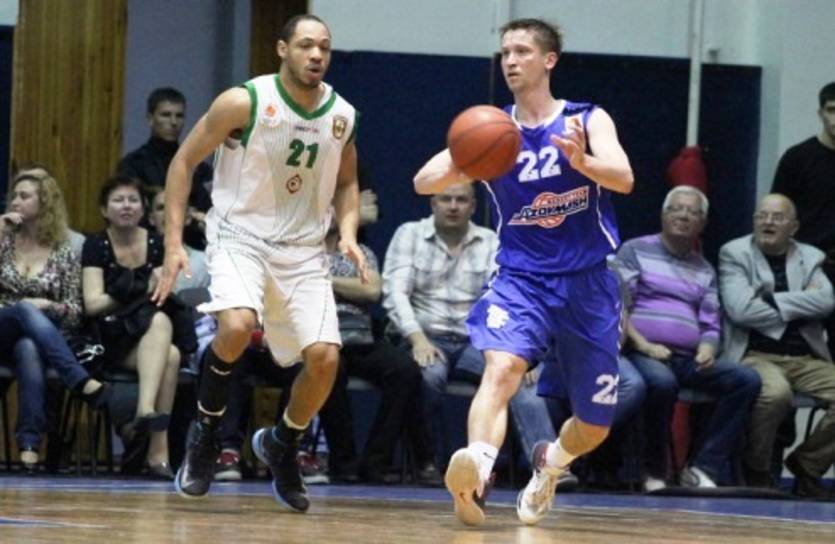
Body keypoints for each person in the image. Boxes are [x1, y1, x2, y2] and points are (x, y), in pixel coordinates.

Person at [413, 18, 633, 526]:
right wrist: (466, 160)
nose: (510, 61)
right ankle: (478, 472)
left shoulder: (586, 119)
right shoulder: (494, 130)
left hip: (588, 283)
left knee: (594, 425)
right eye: (505, 52)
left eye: (522, 51)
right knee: (502, 368)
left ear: (549, 60)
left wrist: (583, 162)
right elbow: (423, 182)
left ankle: (549, 465)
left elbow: (623, 178)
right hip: (521, 280)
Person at [152, 14, 365, 513]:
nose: (317, 55)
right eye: (306, 45)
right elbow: (183, 162)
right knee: (237, 326)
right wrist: (173, 244)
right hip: (240, 236)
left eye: (325, 47)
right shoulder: (243, 101)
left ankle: (282, 442)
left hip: (303, 249)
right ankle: (205, 434)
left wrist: (348, 231)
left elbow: (347, 181)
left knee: (325, 360)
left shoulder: (343, 114)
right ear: (282, 49)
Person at [382, 182, 556, 479]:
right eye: (445, 199)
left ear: (473, 206)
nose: (453, 206)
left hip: (477, 340)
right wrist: (417, 339)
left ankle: (547, 467)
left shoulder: (490, 241)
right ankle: (432, 465)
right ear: (433, 204)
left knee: (517, 376)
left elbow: (506, 298)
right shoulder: (409, 234)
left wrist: (516, 349)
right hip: (425, 336)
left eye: (461, 200)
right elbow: (395, 293)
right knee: (426, 376)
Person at [615, 186, 761, 489]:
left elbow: (710, 322)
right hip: (641, 352)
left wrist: (708, 348)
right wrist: (645, 345)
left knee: (746, 380)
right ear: (663, 215)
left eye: (693, 212)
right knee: (661, 383)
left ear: (702, 223)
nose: (683, 216)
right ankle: (653, 472)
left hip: (687, 358)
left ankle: (702, 467)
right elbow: (619, 307)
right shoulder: (634, 250)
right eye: (677, 209)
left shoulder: (704, 268)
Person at [719, 193, 835, 498]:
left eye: (777, 217)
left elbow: (826, 302)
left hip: (805, 358)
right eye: (762, 216)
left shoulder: (810, 257)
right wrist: (802, 302)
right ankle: (757, 471)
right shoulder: (735, 253)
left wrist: (770, 300)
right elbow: (740, 310)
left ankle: (808, 464)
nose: (768, 222)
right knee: (776, 395)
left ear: (793, 227)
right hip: (756, 355)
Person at [82, 176, 190, 479]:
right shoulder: (96, 245)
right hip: (109, 339)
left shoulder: (157, 244)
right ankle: (157, 448)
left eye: (133, 200)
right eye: (118, 200)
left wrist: (159, 285)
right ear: (104, 210)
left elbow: (164, 297)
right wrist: (136, 288)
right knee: (168, 350)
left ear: (143, 209)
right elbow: (93, 304)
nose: (126, 206)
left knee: (168, 346)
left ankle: (148, 424)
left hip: (148, 336)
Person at [0, 173, 110, 471]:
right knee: (23, 310)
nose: (15, 202)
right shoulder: (4, 238)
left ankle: (30, 445)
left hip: (35, 339)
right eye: (14, 196)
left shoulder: (64, 250)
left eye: (24, 196)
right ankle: (79, 378)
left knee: (27, 347)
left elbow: (75, 311)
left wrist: (48, 306)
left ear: (45, 203)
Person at [319, 220, 439, 484]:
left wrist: (324, 279)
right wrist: (351, 286)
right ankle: (344, 463)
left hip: (360, 336)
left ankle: (376, 461)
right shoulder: (302, 252)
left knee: (405, 371)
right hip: (319, 335)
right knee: (328, 369)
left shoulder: (360, 251)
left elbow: (372, 290)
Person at [771, 82, 835, 354]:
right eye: (832, 110)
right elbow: (776, 214)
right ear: (820, 113)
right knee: (805, 346)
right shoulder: (798, 158)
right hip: (808, 265)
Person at [118, 87, 212, 250]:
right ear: (150, 119)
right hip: (144, 246)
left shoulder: (198, 167)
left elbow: (209, 212)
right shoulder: (133, 165)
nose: (173, 122)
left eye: (179, 116)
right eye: (166, 115)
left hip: (192, 246)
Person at [147, 187, 209, 293]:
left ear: (188, 218)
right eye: (161, 208)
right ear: (151, 219)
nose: (168, 213)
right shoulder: (142, 262)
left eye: (174, 207)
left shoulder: (204, 262)